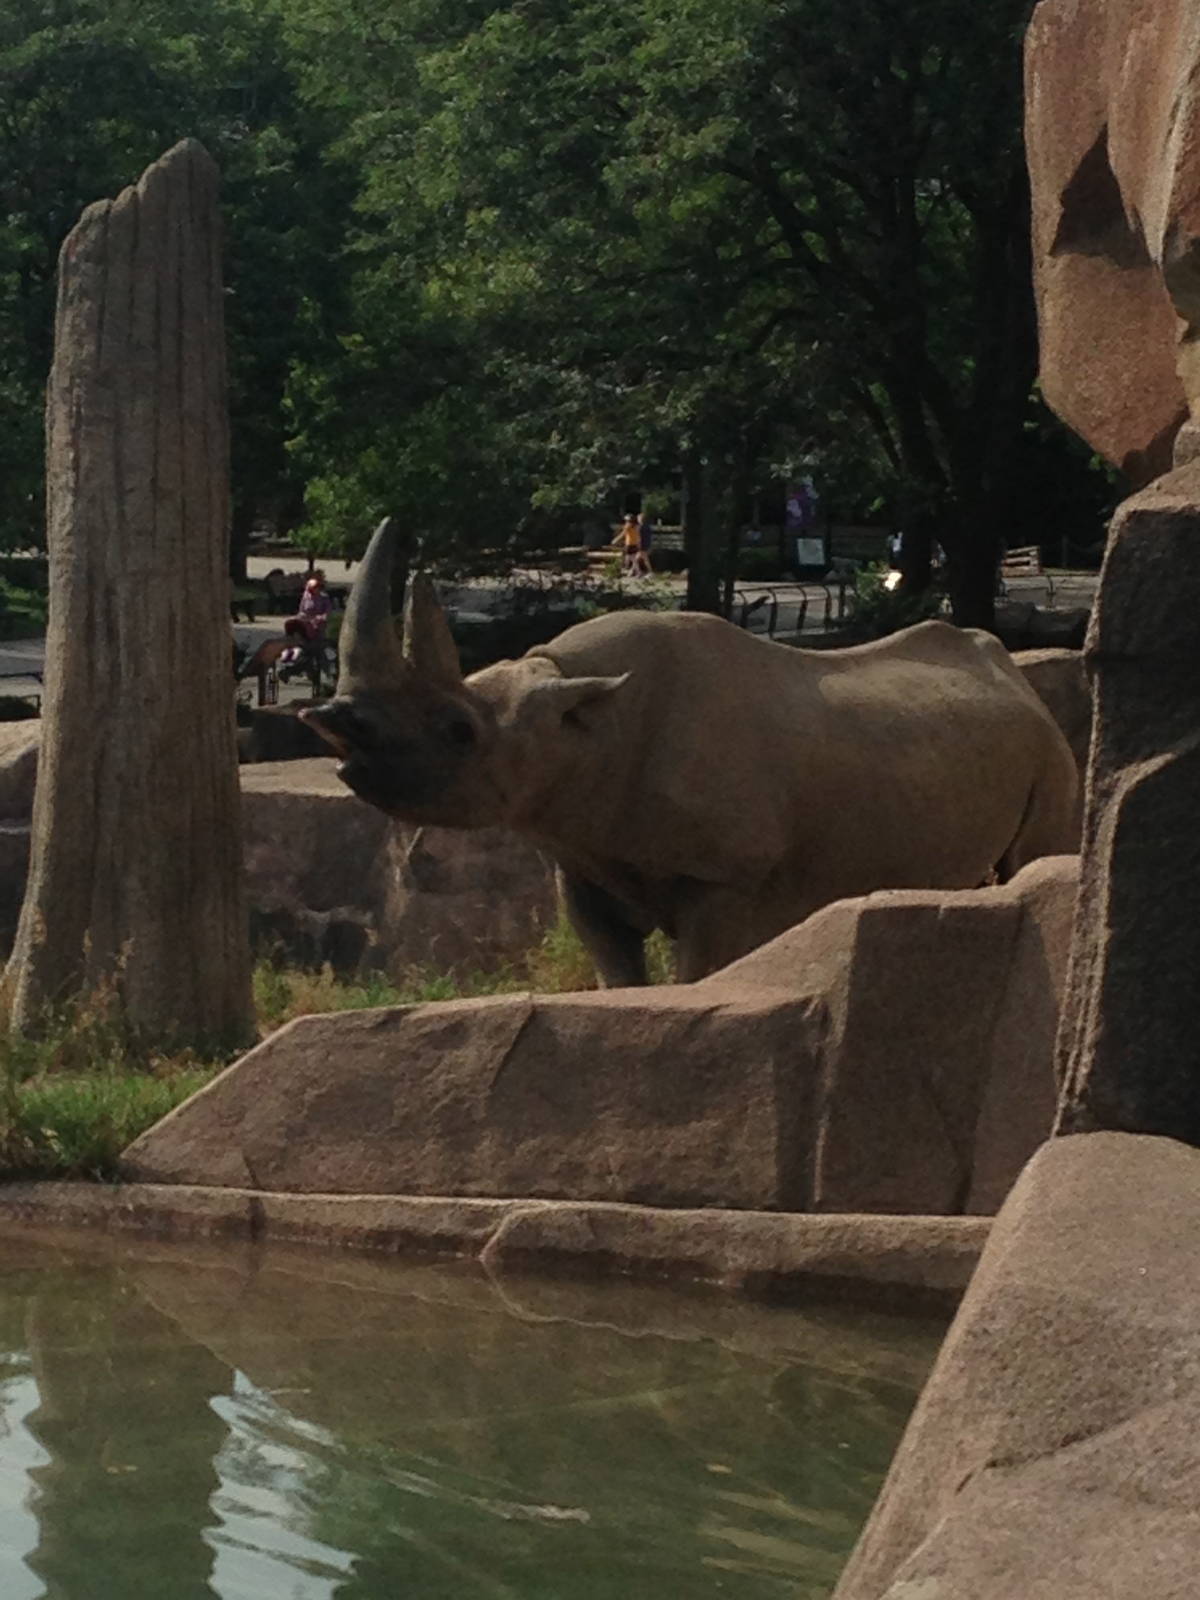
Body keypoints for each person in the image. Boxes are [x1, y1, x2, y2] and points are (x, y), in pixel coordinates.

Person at [634, 512, 654, 576]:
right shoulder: (648, 527)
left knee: (645, 559)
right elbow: (650, 537)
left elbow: (639, 538)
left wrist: (638, 545)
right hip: (647, 544)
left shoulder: (639, 528)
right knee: (636, 559)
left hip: (642, 545)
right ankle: (637, 572)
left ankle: (650, 572)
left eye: (638, 518)